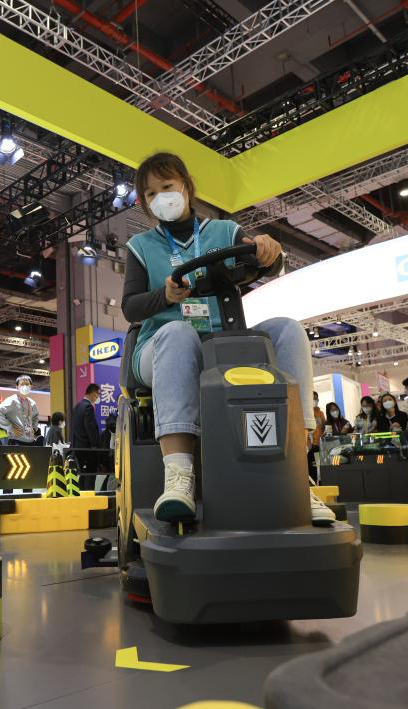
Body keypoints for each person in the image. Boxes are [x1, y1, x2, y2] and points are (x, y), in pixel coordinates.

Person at [121, 152, 333, 525]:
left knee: (288, 329)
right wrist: (165, 297)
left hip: (225, 343)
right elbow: (130, 307)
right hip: (162, 346)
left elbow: (264, 262)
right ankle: (179, 475)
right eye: (151, 193)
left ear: (186, 186)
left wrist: (269, 253)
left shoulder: (224, 231)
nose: (160, 197)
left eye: (167, 186)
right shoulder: (140, 246)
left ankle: (299, 474)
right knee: (178, 332)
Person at [0, 375, 40, 447]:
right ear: (17, 387)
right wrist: (10, 428)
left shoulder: (32, 403)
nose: (25, 386)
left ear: (31, 386)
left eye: (27, 384)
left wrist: (34, 428)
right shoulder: (12, 400)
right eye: (22, 384)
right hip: (16, 440)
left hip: (31, 441)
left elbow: (36, 416)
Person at [72, 383, 102, 486]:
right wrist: (95, 445)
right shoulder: (88, 407)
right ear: (94, 394)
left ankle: (82, 495)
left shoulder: (77, 406)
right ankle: (89, 495)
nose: (98, 397)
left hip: (77, 447)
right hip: (88, 449)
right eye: (98, 394)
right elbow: (90, 428)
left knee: (81, 476)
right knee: (90, 477)